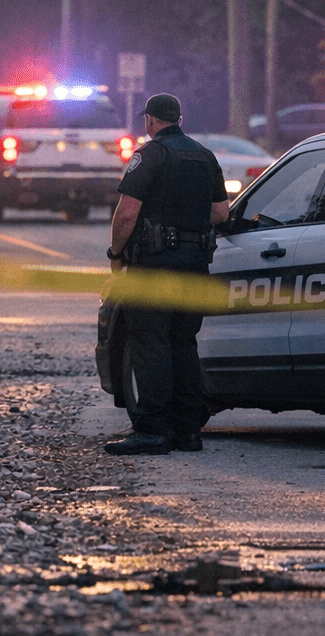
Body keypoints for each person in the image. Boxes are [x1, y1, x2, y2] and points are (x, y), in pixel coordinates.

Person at [104, 93, 230, 455]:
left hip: (155, 267)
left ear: (150, 120)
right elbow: (221, 213)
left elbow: (127, 213)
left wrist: (115, 253)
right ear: (179, 118)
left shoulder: (150, 154)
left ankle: (152, 431)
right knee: (183, 344)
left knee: (150, 343)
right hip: (195, 267)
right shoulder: (205, 156)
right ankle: (188, 431)